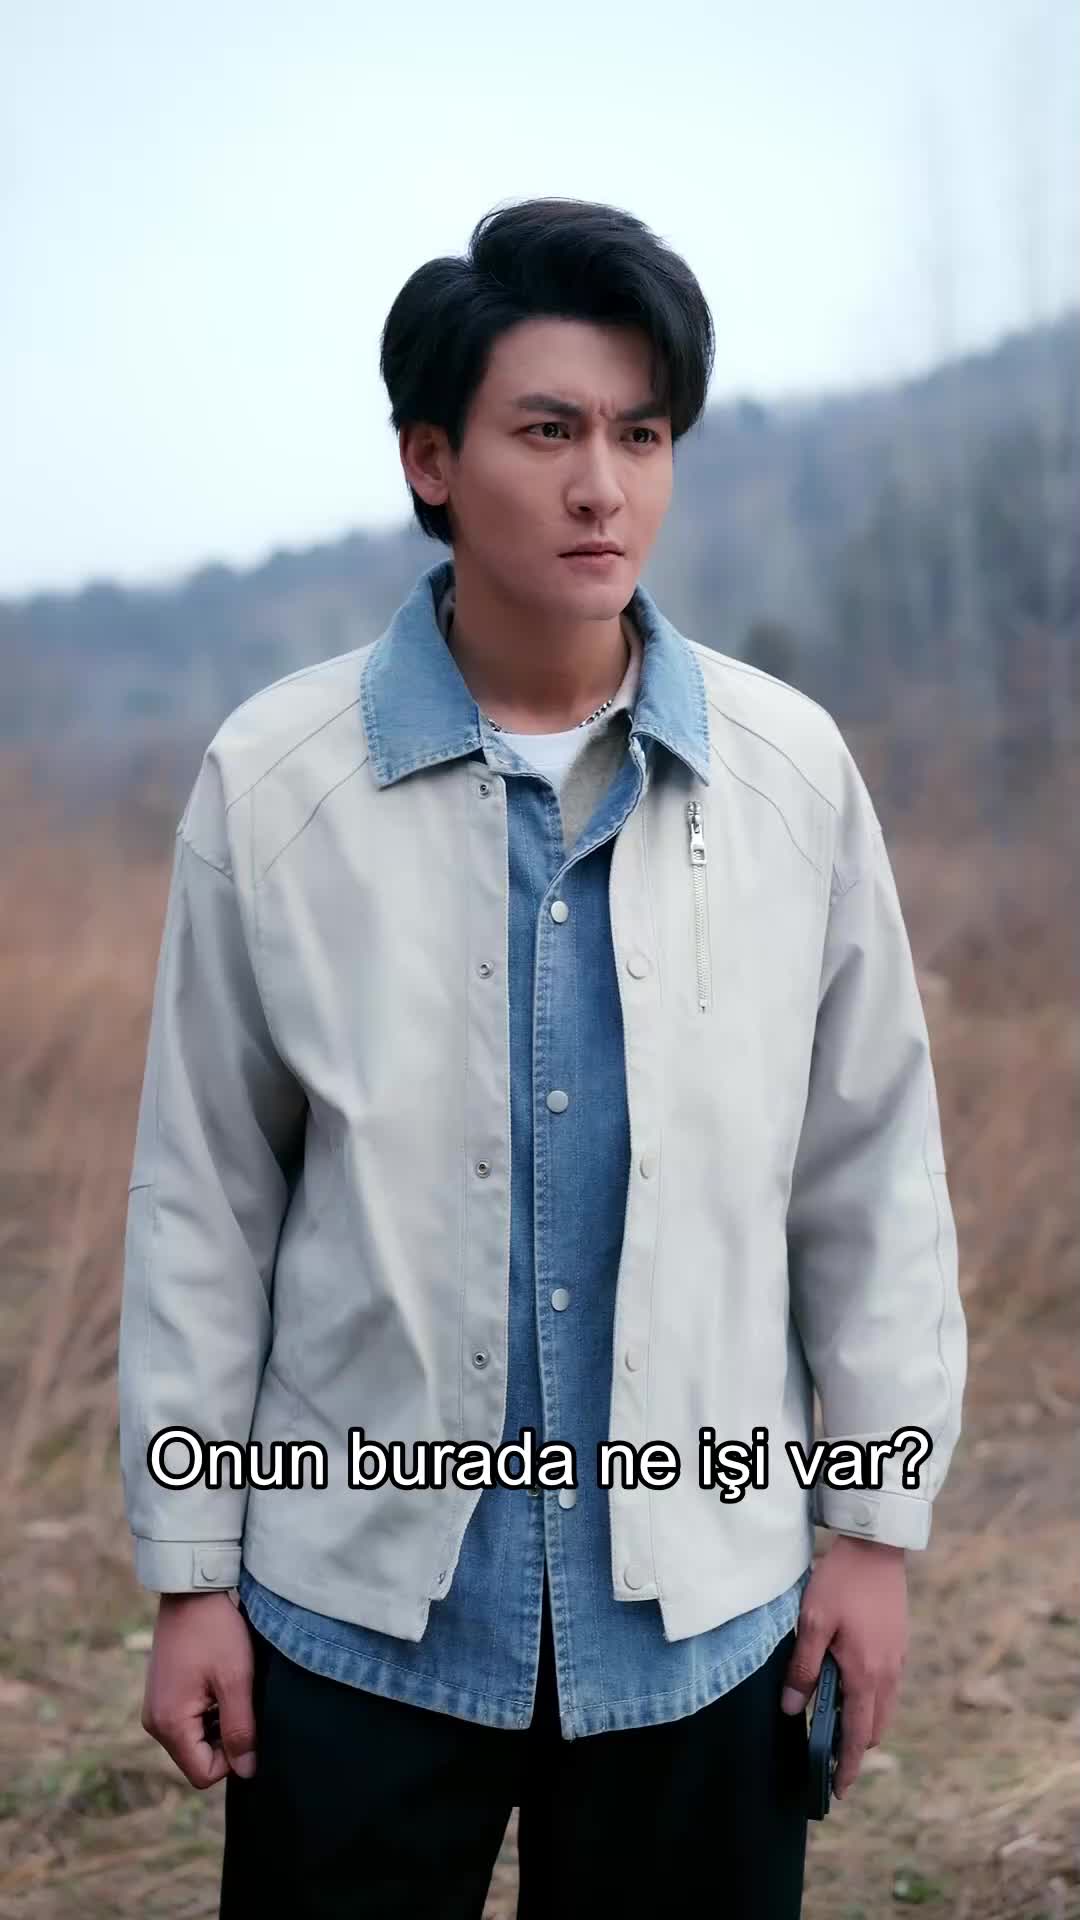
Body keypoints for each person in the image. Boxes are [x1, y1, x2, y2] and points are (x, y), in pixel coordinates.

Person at [118, 196, 967, 1919]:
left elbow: (872, 1174)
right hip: (356, 1612)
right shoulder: (276, 784)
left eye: (642, 436)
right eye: (549, 431)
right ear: (431, 461)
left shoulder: (789, 775)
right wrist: (190, 1575)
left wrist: (873, 1534)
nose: (603, 486)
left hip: (705, 1617)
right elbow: (204, 1196)